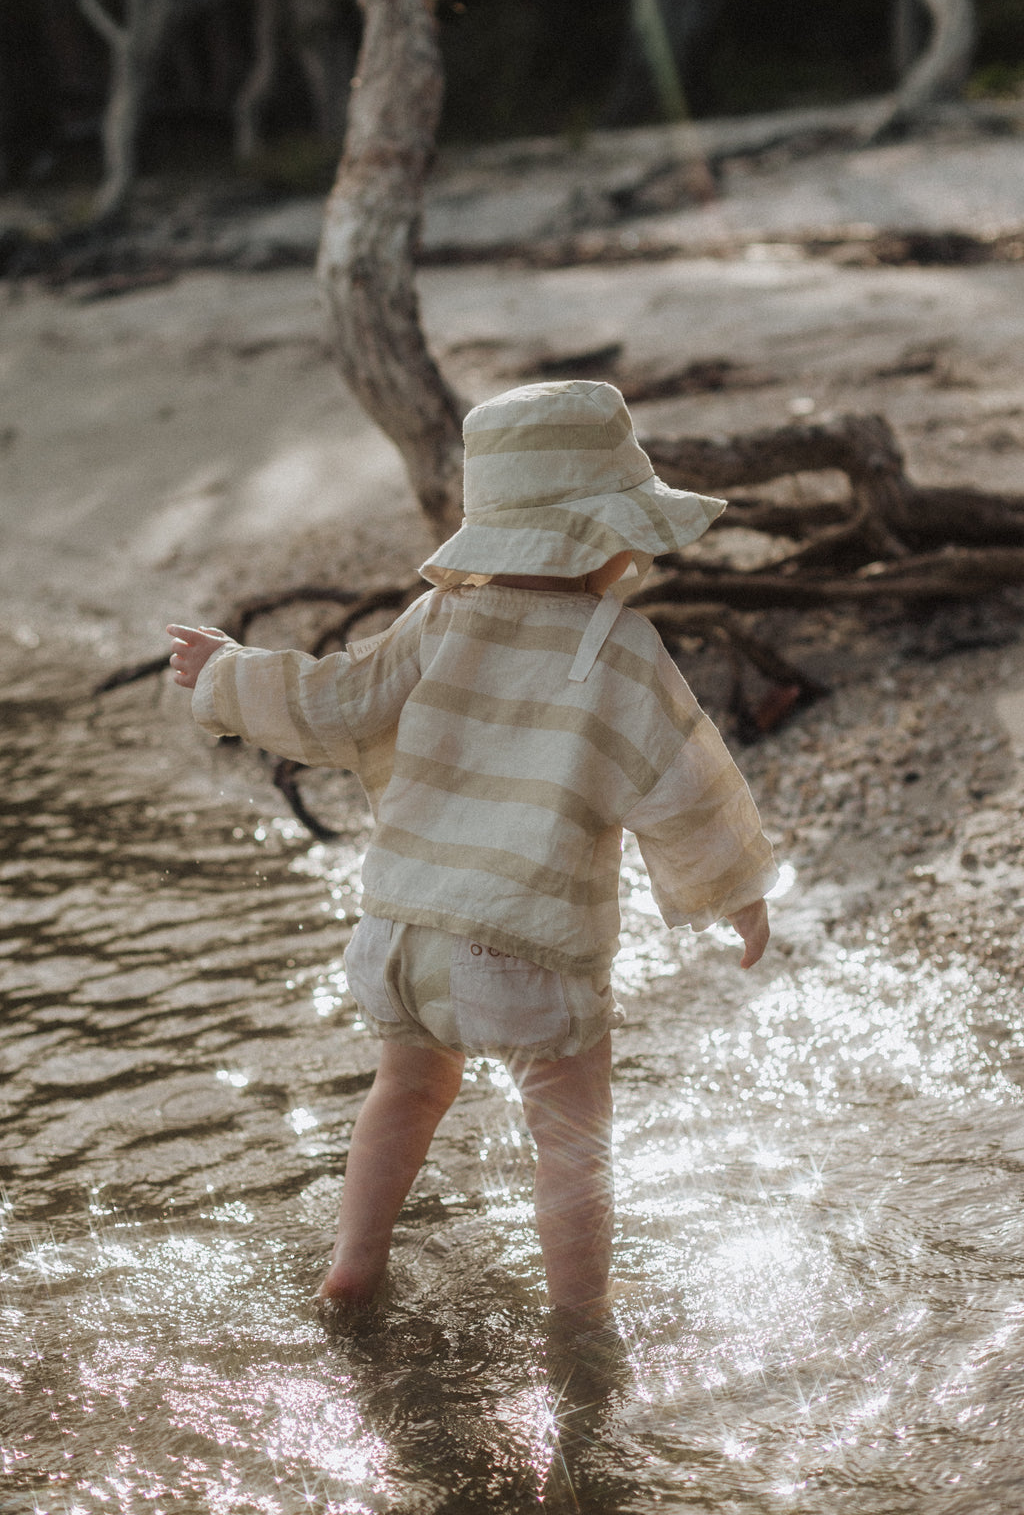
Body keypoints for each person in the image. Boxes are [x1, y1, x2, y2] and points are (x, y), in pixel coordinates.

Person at [167, 379, 777, 1329]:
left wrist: (229, 676)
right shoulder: (618, 652)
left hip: (401, 938)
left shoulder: (437, 621)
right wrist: (736, 890)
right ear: (608, 534)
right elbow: (683, 783)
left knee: (406, 1091)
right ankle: (580, 1319)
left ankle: (352, 1268)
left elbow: (334, 702)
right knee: (571, 1138)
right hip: (525, 948)